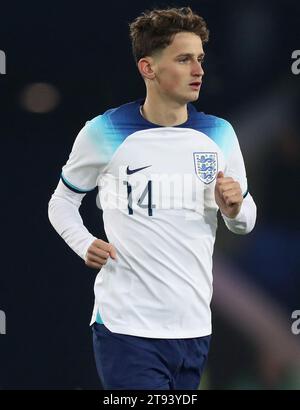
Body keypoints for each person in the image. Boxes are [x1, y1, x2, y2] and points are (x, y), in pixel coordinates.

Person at [48, 6, 257, 390]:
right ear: (148, 68)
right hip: (126, 328)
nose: (198, 70)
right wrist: (84, 243)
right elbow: (61, 201)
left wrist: (235, 208)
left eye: (200, 59)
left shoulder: (220, 134)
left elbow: (244, 222)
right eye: (183, 59)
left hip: (194, 328)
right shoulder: (104, 131)